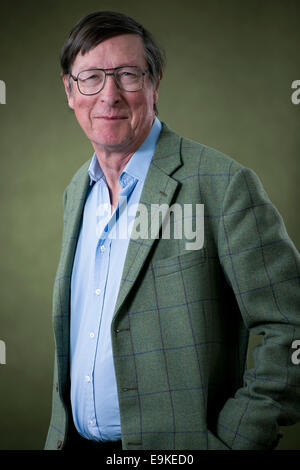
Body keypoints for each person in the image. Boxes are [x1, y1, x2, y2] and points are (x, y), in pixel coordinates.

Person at [45, 11, 300, 451]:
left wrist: (238, 439)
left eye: (127, 75)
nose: (109, 95)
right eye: (90, 78)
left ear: (154, 83)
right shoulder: (76, 193)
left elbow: (291, 325)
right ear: (70, 91)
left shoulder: (221, 184)